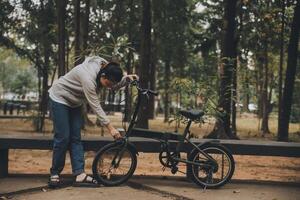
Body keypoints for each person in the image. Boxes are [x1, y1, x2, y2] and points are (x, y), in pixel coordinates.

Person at [48, 56, 138, 187]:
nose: (109, 87)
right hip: (60, 97)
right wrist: (111, 128)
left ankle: (79, 174)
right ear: (103, 75)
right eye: (108, 84)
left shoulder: (106, 68)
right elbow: (95, 105)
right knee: (63, 137)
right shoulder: (88, 78)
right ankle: (55, 173)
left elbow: (115, 83)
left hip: (75, 103)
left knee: (75, 138)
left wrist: (129, 79)